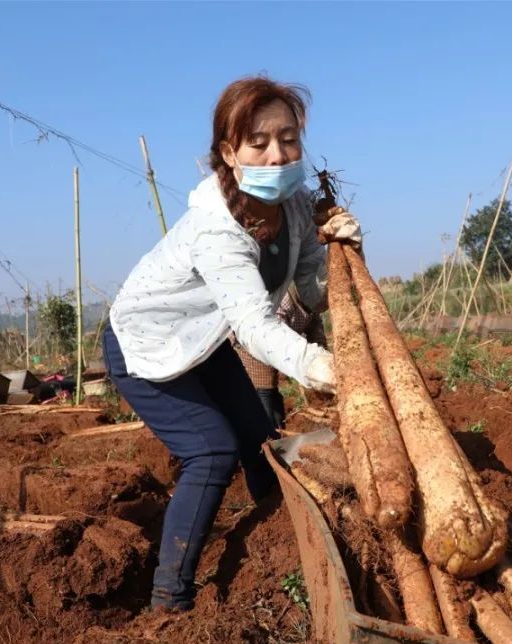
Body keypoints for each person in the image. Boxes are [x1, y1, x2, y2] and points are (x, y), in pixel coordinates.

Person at [105, 77, 362, 612]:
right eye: (259, 142)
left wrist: (343, 249)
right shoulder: (216, 229)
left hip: (200, 339)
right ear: (229, 151)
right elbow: (254, 326)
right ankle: (168, 599)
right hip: (144, 344)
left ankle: (280, 535)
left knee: (258, 434)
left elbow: (311, 291)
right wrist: (329, 370)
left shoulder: (293, 207)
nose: (277, 155)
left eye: (288, 139)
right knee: (212, 451)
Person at [233, 285, 328, 429]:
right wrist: (297, 366)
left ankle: (279, 431)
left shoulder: (312, 307)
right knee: (264, 392)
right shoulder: (285, 301)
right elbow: (271, 336)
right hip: (257, 344)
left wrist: (324, 364)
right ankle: (268, 435)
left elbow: (317, 334)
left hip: (279, 345)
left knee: (273, 393)